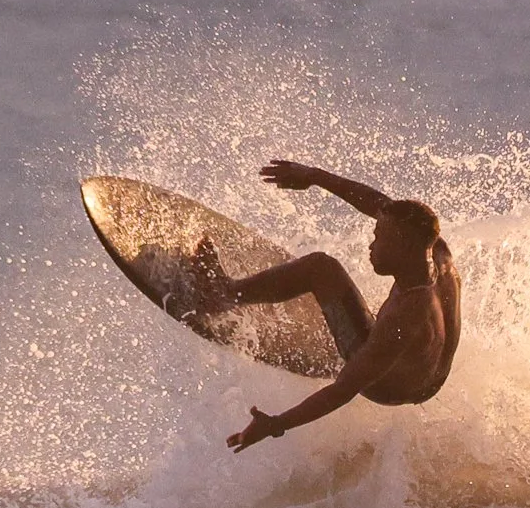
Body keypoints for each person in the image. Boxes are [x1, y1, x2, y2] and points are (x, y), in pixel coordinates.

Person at [197, 160, 461, 452]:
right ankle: (377, 350)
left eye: (379, 238)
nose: (370, 246)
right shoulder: (435, 251)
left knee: (320, 268)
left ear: (405, 245)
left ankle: (221, 295)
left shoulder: (406, 317)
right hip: (430, 376)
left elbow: (343, 390)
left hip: (389, 387)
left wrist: (275, 424)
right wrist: (314, 177)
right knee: (378, 333)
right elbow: (379, 203)